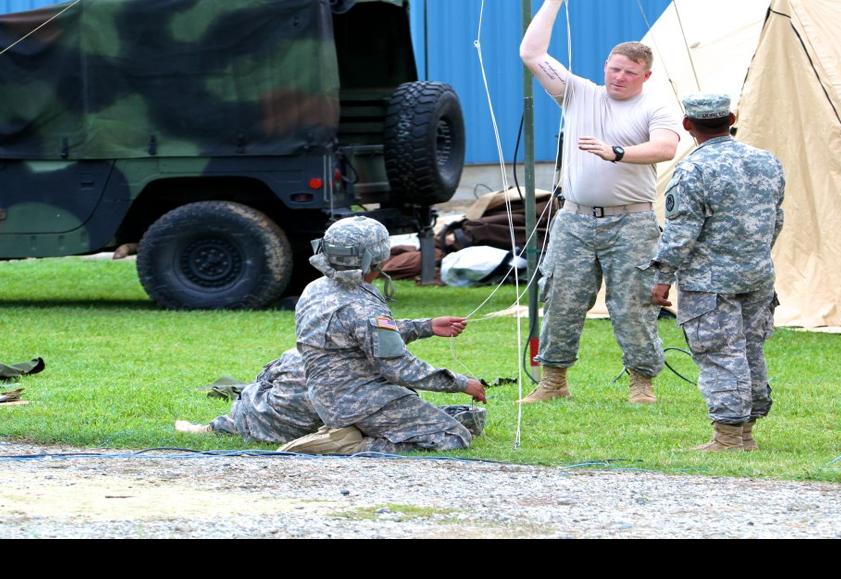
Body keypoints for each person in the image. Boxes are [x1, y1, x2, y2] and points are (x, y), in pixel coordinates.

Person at [518, 0, 680, 405]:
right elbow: (531, 54)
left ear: (646, 75)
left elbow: (666, 147)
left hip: (631, 223)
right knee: (561, 299)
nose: (619, 77)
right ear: (604, 66)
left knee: (633, 303)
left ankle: (642, 384)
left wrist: (617, 152)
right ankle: (553, 382)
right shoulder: (578, 93)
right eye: (614, 68)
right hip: (574, 219)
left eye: (629, 72)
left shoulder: (654, 106)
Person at [281, 216, 487, 454]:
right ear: (377, 257)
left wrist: (427, 326)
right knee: (453, 436)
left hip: (332, 398)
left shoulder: (317, 288)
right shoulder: (361, 305)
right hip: (362, 402)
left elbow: (363, 334)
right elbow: (398, 367)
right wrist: (461, 383)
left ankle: (349, 432)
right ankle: (351, 445)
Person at [648, 94, 786, 451]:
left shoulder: (693, 170)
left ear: (687, 125)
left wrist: (662, 278)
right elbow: (776, 219)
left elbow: (681, 232)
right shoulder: (767, 162)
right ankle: (746, 435)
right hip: (757, 275)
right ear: (731, 118)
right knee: (751, 351)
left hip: (709, 283)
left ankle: (727, 437)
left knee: (720, 353)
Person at [174, 345, 487, 444]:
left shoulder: (305, 342)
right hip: (342, 414)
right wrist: (461, 383)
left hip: (269, 418)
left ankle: (213, 426)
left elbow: (265, 378)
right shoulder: (376, 357)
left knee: (255, 402)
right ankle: (356, 443)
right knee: (453, 433)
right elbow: (405, 372)